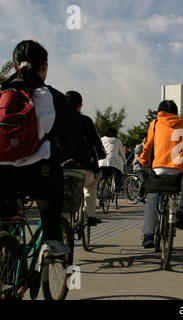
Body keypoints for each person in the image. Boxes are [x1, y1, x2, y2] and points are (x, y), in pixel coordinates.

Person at [0, 40, 84, 257]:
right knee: (51, 190)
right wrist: (75, 157)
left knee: (5, 218)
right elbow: (72, 137)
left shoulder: (2, 94)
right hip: (36, 172)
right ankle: (51, 239)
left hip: (1, 172)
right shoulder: (51, 96)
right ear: (45, 66)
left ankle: (6, 255)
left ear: (14, 65)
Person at [139, 100, 183, 248]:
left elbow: (148, 145)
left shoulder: (155, 123)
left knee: (151, 200)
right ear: (175, 112)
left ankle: (148, 235)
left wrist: (144, 161)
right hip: (179, 170)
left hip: (159, 169)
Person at [64, 91, 106, 226]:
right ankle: (90, 215)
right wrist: (101, 155)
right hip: (83, 167)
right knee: (91, 186)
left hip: (63, 167)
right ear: (80, 105)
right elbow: (96, 141)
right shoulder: (85, 120)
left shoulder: (59, 120)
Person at [98, 127, 127, 195]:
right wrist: (125, 161)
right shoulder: (118, 141)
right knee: (119, 173)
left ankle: (101, 195)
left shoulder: (102, 140)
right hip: (113, 163)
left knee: (102, 179)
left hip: (102, 162)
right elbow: (122, 153)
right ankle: (117, 186)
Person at [132, 133, 149, 201]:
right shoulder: (139, 147)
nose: (148, 139)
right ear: (142, 139)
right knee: (144, 180)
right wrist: (142, 162)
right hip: (139, 167)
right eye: (146, 138)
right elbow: (137, 156)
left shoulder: (149, 147)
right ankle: (140, 195)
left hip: (146, 167)